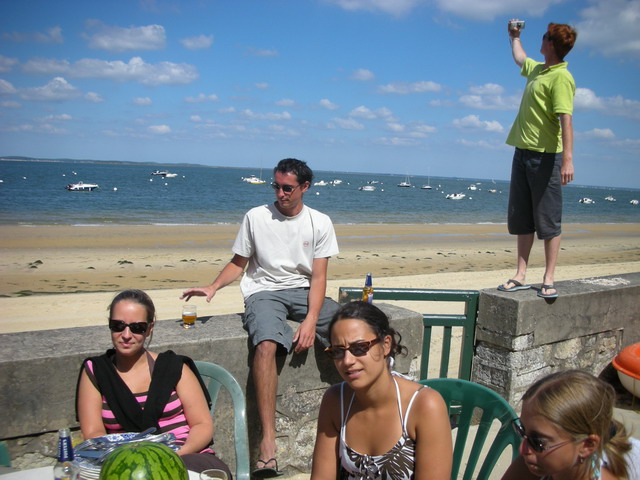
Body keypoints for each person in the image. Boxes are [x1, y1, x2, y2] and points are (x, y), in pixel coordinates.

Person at [181, 158, 340, 477]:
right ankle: (268, 444)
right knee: (266, 344)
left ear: (305, 187)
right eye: (276, 186)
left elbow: (319, 277)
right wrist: (213, 287)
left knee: (353, 327)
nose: (280, 193)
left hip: (304, 289)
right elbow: (238, 262)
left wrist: (310, 320)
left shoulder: (320, 222)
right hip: (263, 291)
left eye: (287, 188)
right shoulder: (255, 217)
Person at [75, 289, 232, 476]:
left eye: (137, 327)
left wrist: (174, 456)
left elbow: (202, 424)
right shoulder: (96, 372)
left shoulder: (173, 367)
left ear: (150, 328)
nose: (126, 334)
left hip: (185, 455)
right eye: (118, 325)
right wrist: (129, 462)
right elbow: (93, 434)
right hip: (123, 463)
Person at [310, 301, 453, 479]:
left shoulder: (424, 406)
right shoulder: (335, 401)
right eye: (338, 351)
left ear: (386, 344)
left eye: (359, 348)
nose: (347, 361)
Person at [499, 21, 577, 299]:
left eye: (544, 37)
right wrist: (514, 37)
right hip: (522, 152)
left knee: (548, 220)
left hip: (546, 157)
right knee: (522, 218)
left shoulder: (561, 77)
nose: (541, 40)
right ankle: (520, 275)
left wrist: (567, 160)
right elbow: (520, 58)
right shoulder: (538, 70)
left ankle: (548, 278)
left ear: (552, 44)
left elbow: (566, 119)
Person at [502, 369, 639, 480]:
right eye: (522, 430)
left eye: (538, 441)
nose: (522, 449)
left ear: (587, 445)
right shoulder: (535, 459)